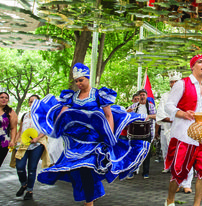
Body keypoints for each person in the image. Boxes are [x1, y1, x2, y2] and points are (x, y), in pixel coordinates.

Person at [31, 63, 150, 206]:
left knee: (87, 169)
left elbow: (108, 116)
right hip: (75, 142)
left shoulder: (99, 94)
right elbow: (63, 114)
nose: (78, 83)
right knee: (79, 171)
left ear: (87, 78)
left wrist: (110, 136)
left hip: (94, 140)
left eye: (81, 80)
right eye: (76, 81)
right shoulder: (71, 96)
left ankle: (89, 202)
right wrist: (57, 127)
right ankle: (90, 197)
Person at [164, 55, 202, 206]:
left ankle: (197, 204)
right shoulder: (182, 84)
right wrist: (183, 113)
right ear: (192, 66)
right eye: (200, 62)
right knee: (179, 172)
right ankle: (170, 200)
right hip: (184, 136)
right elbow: (168, 106)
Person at [12, 95, 50, 200]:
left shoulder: (43, 116)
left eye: (34, 101)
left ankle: (29, 190)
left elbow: (46, 129)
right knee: (19, 167)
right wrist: (15, 139)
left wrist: (37, 138)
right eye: (30, 101)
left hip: (37, 145)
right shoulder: (24, 115)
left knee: (32, 168)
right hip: (23, 144)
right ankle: (24, 184)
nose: (31, 103)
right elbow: (20, 130)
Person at [127, 89, 156, 179]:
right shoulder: (134, 106)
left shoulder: (150, 106)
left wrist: (148, 116)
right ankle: (131, 171)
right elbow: (125, 114)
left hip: (147, 132)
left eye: (143, 95)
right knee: (133, 152)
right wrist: (128, 111)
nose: (142, 97)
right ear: (138, 97)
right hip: (135, 134)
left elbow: (156, 116)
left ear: (146, 96)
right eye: (140, 95)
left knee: (146, 152)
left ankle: (145, 172)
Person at [0, 91, 18, 167]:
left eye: (6, 98)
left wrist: (13, 140)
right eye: (2, 97)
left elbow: (13, 128)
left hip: (3, 142)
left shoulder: (10, 112)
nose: (4, 99)